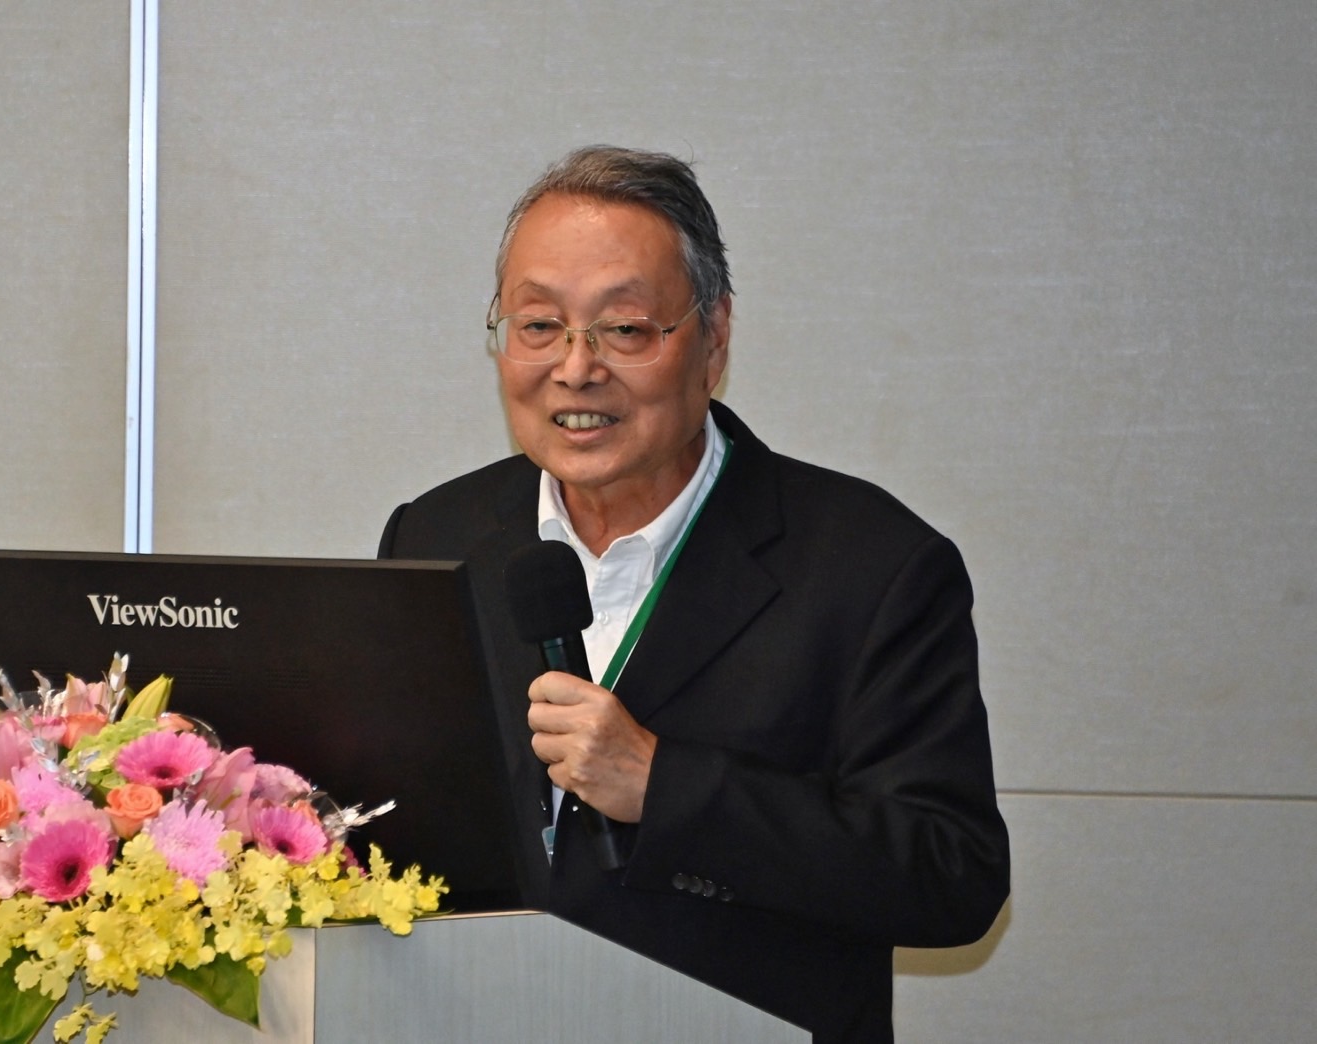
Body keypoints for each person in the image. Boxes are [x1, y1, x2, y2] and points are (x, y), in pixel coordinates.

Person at [378, 145, 1009, 1043]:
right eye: (539, 325)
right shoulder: (435, 535)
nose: (575, 368)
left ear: (712, 339)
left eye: (625, 329)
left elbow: (951, 877)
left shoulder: (870, 565)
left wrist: (665, 788)